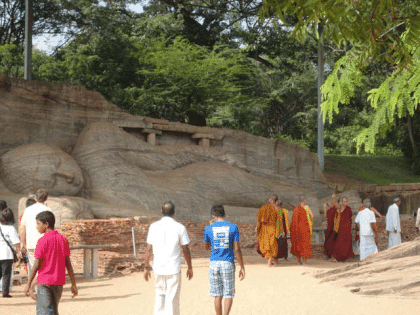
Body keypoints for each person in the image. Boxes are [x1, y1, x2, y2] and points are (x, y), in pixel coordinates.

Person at [144, 201, 193, 315]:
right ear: (174, 213)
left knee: (159, 299)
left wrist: (146, 267)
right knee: (172, 300)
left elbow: (148, 249)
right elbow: (185, 249)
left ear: (161, 212)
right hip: (173, 269)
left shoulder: (153, 226)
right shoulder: (179, 227)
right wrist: (190, 267)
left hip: (158, 269)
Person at [24, 211, 78, 314]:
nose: (36, 226)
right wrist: (73, 284)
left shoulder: (42, 241)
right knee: (53, 310)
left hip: (45, 283)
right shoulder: (63, 240)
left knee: (45, 312)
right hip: (58, 283)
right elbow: (68, 264)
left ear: (46, 224)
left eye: (38, 223)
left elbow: (36, 265)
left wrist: (28, 283)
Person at [203, 205, 245, 315]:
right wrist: (242, 266)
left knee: (217, 295)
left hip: (214, 263)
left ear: (213, 216)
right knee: (228, 294)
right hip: (227, 263)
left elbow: (206, 247)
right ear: (224, 214)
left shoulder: (208, 228)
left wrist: (210, 226)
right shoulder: (233, 227)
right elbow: (237, 249)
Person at [20, 189, 51, 274]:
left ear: (35, 197)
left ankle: (33, 287)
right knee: (43, 269)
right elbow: (51, 229)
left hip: (31, 244)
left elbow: (22, 228)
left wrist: (23, 243)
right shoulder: (48, 210)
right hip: (46, 244)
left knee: (33, 270)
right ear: (46, 198)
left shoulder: (28, 210)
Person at [323, 194, 354, 262]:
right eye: (344, 201)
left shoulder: (348, 209)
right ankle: (336, 257)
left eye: (346, 201)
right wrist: (334, 199)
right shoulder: (337, 208)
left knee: (343, 244)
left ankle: (342, 258)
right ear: (341, 202)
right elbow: (335, 207)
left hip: (345, 230)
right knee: (337, 244)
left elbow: (349, 219)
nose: (345, 203)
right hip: (337, 229)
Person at [0, 208, 21, 298]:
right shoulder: (11, 228)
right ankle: (5, 292)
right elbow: (16, 242)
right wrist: (18, 251)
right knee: (6, 274)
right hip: (7, 254)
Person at [290, 196, 313, 265]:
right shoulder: (306, 207)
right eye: (306, 200)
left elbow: (293, 220)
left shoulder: (296, 208)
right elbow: (312, 216)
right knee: (305, 244)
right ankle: (305, 261)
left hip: (297, 229)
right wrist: (310, 224)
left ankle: (298, 261)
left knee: (297, 243)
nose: (306, 201)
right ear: (304, 200)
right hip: (305, 228)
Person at [256, 195, 278, 266]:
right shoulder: (276, 208)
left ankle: (268, 261)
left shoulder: (264, 207)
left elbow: (259, 218)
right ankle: (269, 261)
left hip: (264, 228)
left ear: (271, 200)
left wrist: (257, 226)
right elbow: (278, 220)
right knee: (271, 244)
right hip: (271, 228)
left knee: (265, 244)